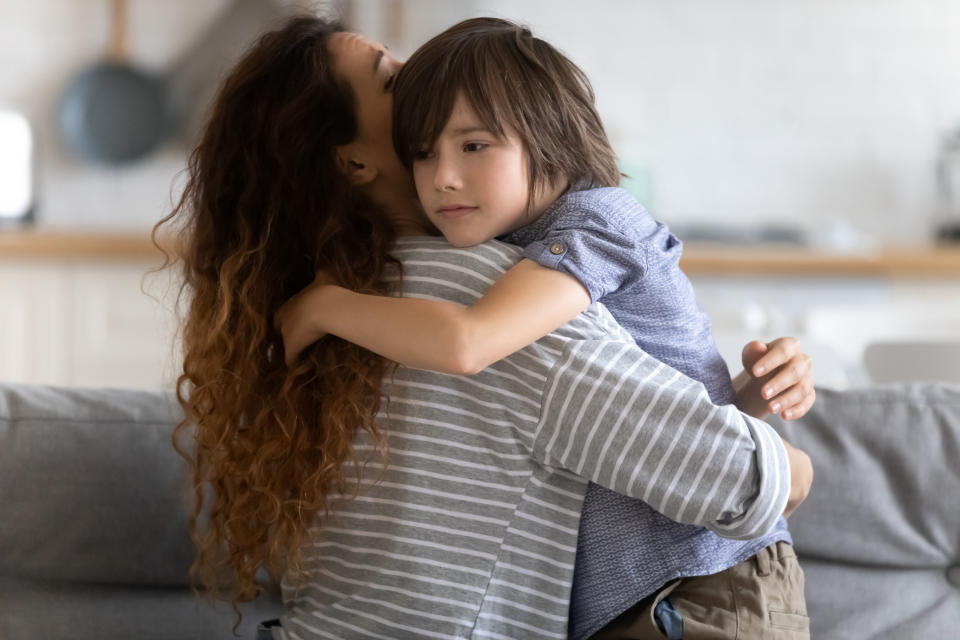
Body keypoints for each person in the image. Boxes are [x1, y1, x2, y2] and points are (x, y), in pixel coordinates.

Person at [154, 15, 814, 640]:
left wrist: (321, 305)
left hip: (691, 587)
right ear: (356, 163)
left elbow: (471, 340)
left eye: (475, 143)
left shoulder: (353, 314)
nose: (417, 71)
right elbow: (754, 474)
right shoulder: (474, 290)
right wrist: (776, 447)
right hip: (658, 591)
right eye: (390, 77)